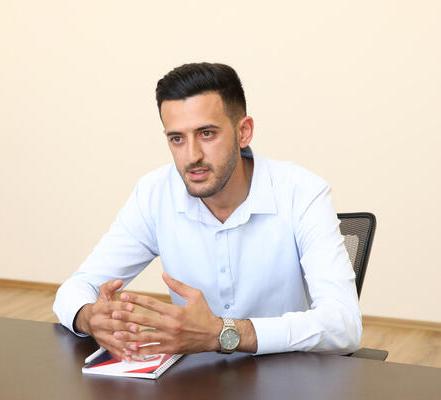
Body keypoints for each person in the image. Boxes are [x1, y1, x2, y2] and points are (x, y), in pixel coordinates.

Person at [53, 63, 361, 360]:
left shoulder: (303, 192)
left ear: (244, 131)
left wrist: (222, 334)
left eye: (207, 134)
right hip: (194, 379)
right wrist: (89, 317)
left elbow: (343, 324)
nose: (192, 156)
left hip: (286, 375)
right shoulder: (154, 193)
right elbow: (76, 288)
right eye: (177, 139)